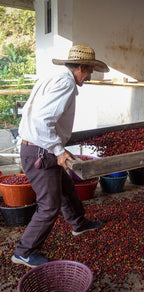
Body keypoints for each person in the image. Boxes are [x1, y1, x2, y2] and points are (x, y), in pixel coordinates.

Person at [11, 45, 110, 268]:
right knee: (49, 205)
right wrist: (59, 150)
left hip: (38, 147)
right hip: (40, 151)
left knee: (66, 187)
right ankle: (24, 252)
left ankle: (79, 224)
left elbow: (36, 114)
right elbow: (41, 120)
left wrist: (58, 146)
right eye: (90, 70)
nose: (90, 75)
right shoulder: (65, 82)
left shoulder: (55, 76)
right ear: (81, 67)